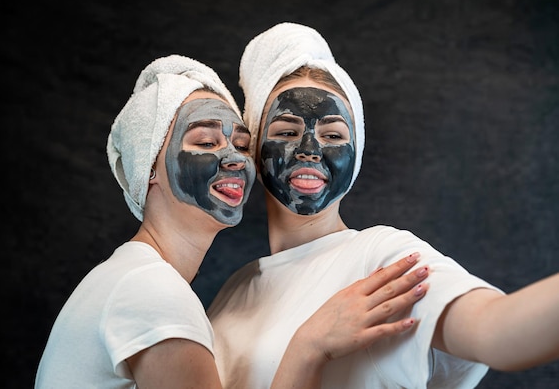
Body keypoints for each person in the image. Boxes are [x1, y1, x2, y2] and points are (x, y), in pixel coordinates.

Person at [34, 54, 430, 388]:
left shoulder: (126, 277)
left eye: (241, 145)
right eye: (205, 143)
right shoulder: (151, 292)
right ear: (148, 168)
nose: (235, 159)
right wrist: (309, 345)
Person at [207, 22, 559, 389]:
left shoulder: (380, 259)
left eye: (332, 135)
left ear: (355, 156)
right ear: (253, 149)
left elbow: (496, 331)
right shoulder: (236, 290)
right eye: (286, 132)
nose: (310, 150)